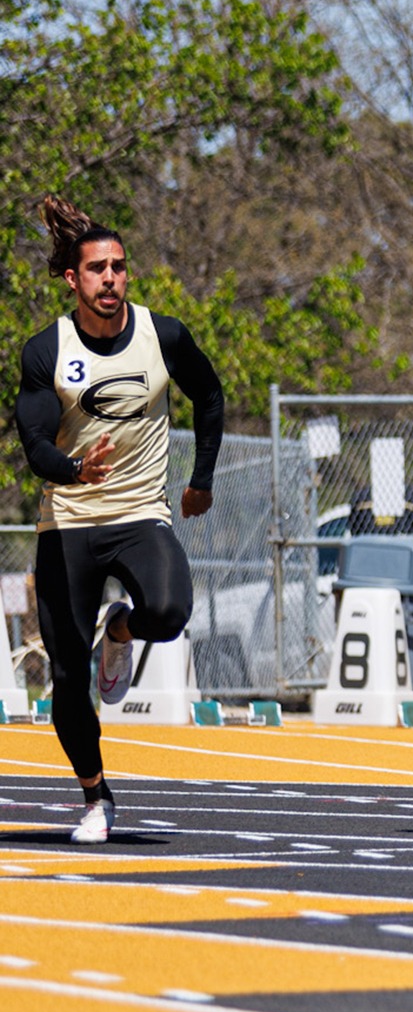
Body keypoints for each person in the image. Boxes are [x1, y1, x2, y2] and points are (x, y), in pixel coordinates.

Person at [14, 196, 226, 844]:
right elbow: (35, 443)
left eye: (119, 267)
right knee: (67, 677)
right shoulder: (47, 350)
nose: (110, 279)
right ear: (72, 279)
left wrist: (201, 479)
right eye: (96, 269)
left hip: (139, 514)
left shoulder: (163, 336)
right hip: (69, 522)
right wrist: (75, 469)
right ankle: (95, 796)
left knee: (169, 610)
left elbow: (209, 395)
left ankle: (121, 628)